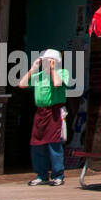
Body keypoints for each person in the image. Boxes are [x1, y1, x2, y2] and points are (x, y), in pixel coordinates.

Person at [18, 50, 66, 186]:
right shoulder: (38, 76)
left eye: (48, 60)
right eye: (44, 61)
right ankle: (41, 175)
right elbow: (22, 84)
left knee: (54, 144)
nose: (45, 63)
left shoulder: (62, 73)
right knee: (37, 144)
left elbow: (57, 83)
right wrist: (33, 68)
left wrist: (52, 69)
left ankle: (58, 175)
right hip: (40, 112)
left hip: (54, 111)